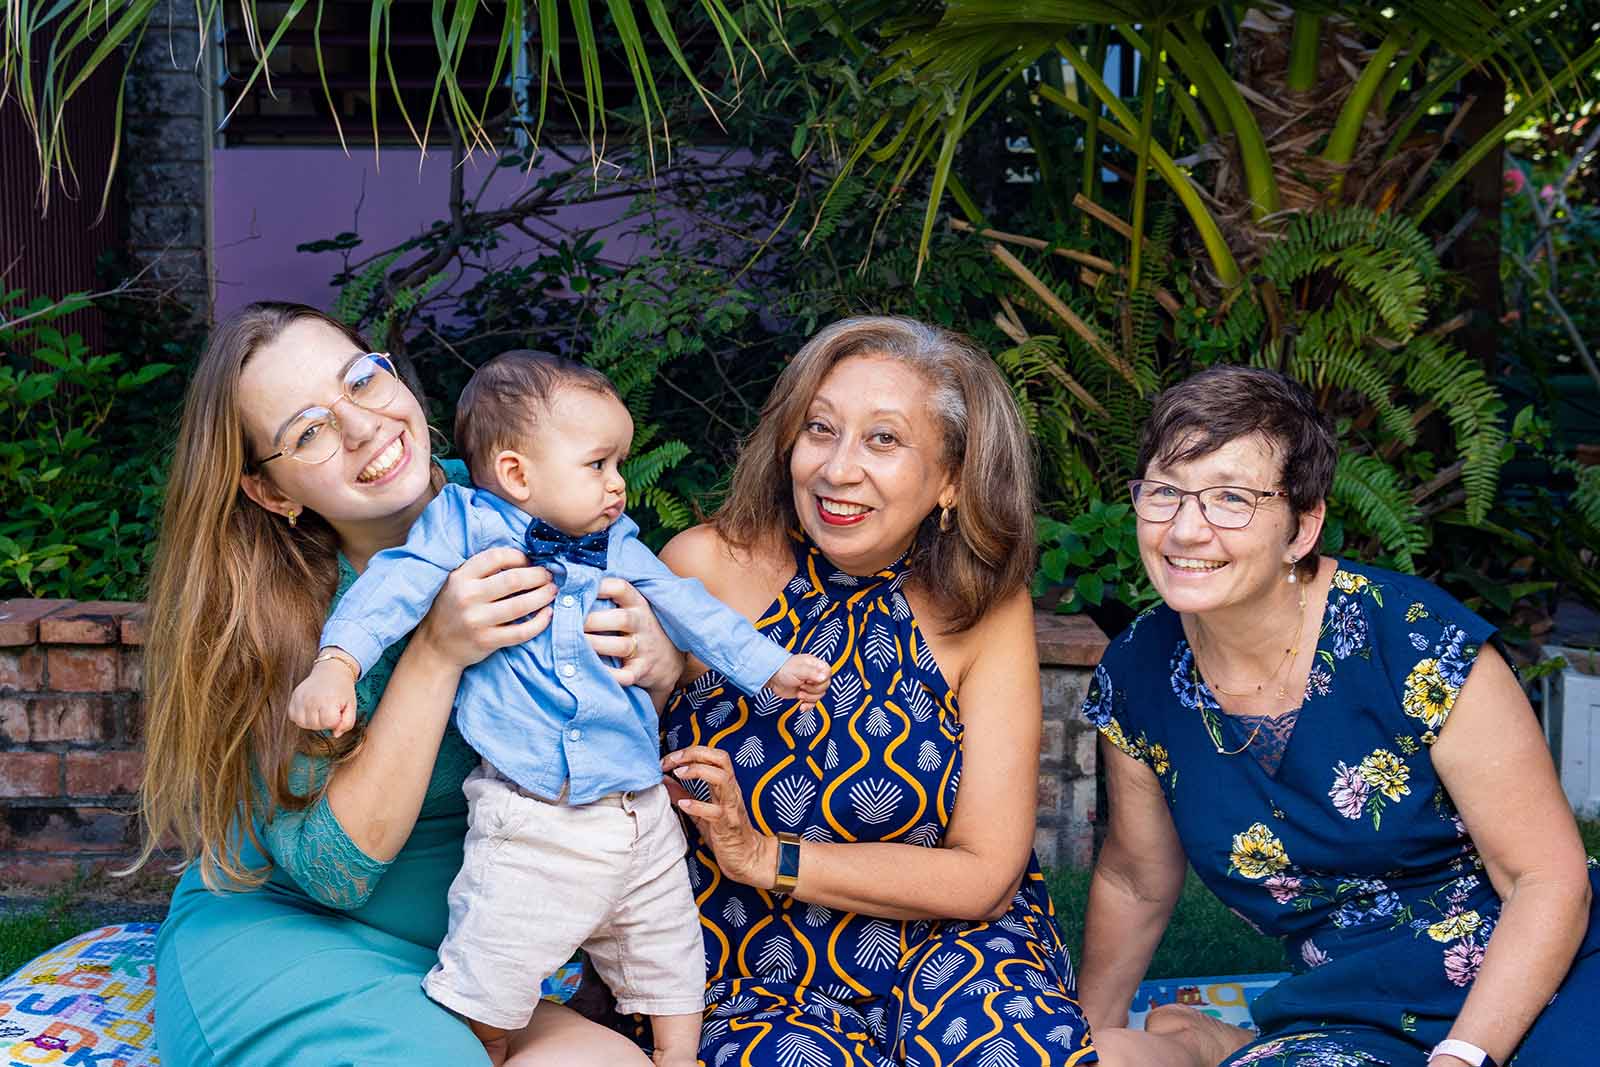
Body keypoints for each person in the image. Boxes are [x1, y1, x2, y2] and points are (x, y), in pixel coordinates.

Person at [138, 303, 683, 1066]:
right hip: (287, 936)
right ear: (270, 492)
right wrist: (435, 652)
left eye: (361, 380)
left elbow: (598, 731)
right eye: (309, 431)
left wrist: (657, 664)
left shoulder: (519, 492)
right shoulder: (270, 610)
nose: (363, 427)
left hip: (464, 955)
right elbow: (333, 872)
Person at [288, 349, 830, 1065]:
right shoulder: (460, 525)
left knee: (671, 952)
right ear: (517, 475)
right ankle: (480, 1051)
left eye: (621, 464)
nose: (619, 484)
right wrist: (337, 663)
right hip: (532, 811)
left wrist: (768, 667)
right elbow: (392, 587)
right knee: (493, 966)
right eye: (599, 464)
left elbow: (688, 607)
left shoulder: (616, 543)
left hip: (638, 805)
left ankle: (678, 1057)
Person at [1078, 366, 1599, 1067]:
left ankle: (1217, 1046)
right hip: (1351, 1012)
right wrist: (1081, 1041)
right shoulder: (1139, 672)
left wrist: (1461, 1057)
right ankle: (1218, 1045)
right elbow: (1135, 879)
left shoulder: (1415, 642)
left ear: (1303, 527)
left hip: (1542, 975)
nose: (1186, 529)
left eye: (1231, 498)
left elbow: (1546, 879)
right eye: (1165, 492)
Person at [653, 316, 1097, 1065]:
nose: (837, 469)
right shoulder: (706, 570)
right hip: (742, 964)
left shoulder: (983, 607)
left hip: (949, 948)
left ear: (951, 478)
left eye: (883, 439)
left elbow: (985, 874)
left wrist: (766, 855)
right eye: (820, 429)